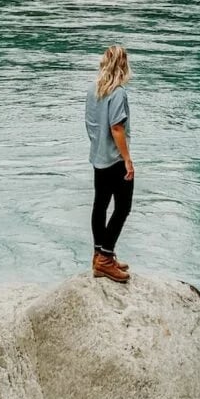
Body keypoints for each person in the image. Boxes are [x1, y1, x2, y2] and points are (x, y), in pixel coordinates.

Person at [85, 45, 134, 283]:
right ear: (123, 65)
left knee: (100, 205)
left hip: (98, 157)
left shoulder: (92, 89)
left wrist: (97, 147)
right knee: (123, 207)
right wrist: (127, 160)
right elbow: (117, 128)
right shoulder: (118, 93)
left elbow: (91, 124)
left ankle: (100, 254)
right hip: (114, 158)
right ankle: (105, 260)